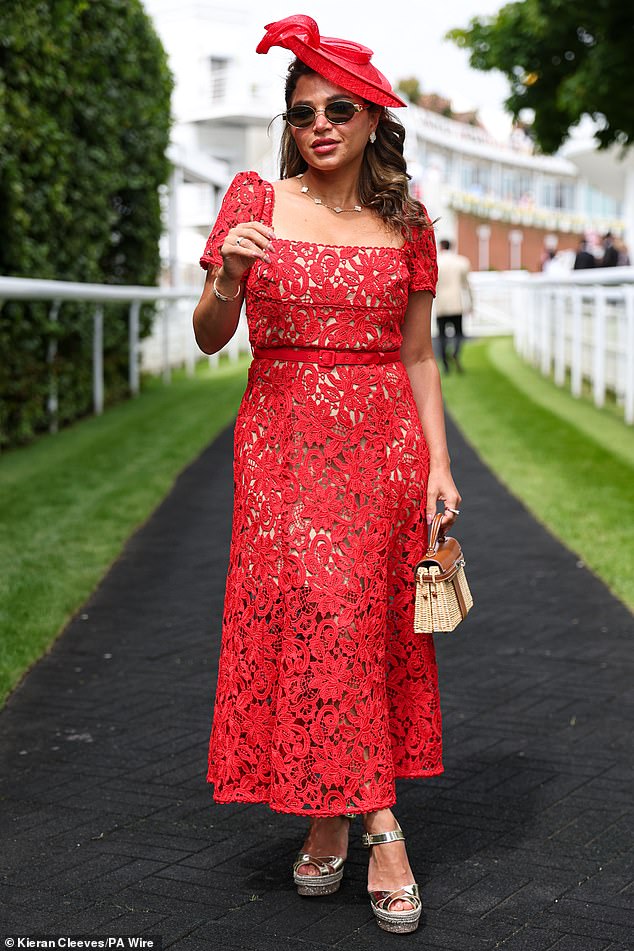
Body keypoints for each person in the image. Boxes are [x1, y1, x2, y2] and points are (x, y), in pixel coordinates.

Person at [193, 14, 461, 936]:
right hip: (281, 440)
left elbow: (420, 355)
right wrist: (226, 277)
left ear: (372, 122)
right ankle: (383, 827)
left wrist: (439, 463)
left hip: (382, 444)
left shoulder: (409, 220)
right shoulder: (251, 200)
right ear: (290, 121)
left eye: (339, 109)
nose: (320, 124)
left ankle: (325, 815)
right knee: (320, 609)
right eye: (304, 110)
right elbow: (208, 332)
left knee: (356, 624)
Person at [435, 239, 472, 373]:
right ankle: (455, 353)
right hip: (456, 303)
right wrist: (471, 304)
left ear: (440, 247)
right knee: (459, 333)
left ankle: (445, 364)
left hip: (441, 305)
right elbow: (467, 285)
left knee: (442, 336)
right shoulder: (461, 262)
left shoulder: (436, 262)